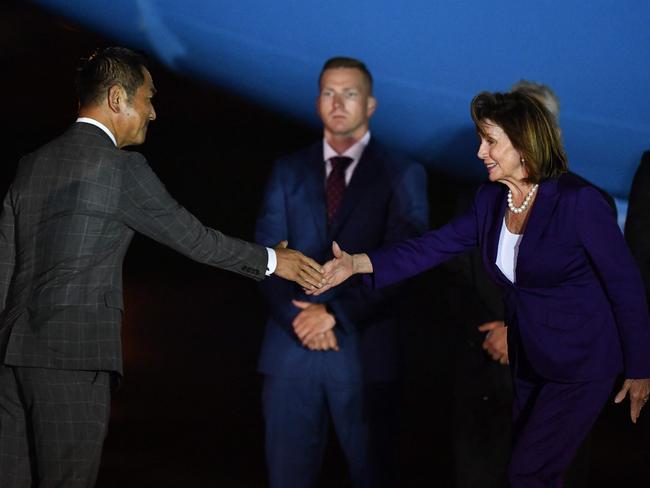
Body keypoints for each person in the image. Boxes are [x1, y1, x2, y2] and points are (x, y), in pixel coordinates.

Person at [0, 46, 324, 487]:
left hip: (10, 358)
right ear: (118, 99)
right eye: (149, 98)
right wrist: (272, 260)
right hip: (72, 359)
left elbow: (5, 264)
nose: (153, 113)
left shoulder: (31, 165)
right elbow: (193, 238)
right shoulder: (120, 168)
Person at [308, 90, 650, 487]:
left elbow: (624, 284)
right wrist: (356, 264)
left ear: (523, 143)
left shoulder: (579, 202)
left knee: (528, 473)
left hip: (581, 366)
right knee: (537, 473)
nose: (479, 152)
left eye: (490, 141)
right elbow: (431, 247)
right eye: (480, 140)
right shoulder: (491, 200)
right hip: (531, 359)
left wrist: (640, 367)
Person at [255, 56, 428, 488]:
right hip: (290, 349)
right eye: (329, 92)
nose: (338, 103)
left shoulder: (403, 172)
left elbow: (406, 262)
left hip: (364, 351)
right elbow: (263, 255)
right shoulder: (287, 169)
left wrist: (337, 314)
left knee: (373, 475)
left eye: (349, 93)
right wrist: (298, 317)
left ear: (370, 104)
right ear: (317, 102)